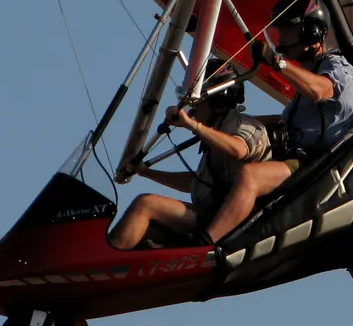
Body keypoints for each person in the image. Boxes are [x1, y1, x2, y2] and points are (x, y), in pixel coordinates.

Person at [199, 0, 353, 244]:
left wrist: (279, 64)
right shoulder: (308, 76)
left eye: (288, 31)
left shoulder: (339, 68)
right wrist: (226, 126)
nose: (281, 40)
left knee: (250, 176)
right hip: (295, 158)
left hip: (320, 164)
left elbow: (321, 90)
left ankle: (206, 245)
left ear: (311, 31)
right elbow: (285, 122)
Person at [108, 59, 270, 250]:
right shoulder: (216, 133)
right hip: (207, 213)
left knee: (146, 204)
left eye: (197, 103)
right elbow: (196, 183)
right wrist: (147, 172)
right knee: (140, 227)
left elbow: (238, 149)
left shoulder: (245, 125)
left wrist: (192, 125)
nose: (192, 110)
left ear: (218, 102)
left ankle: (107, 261)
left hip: (229, 219)